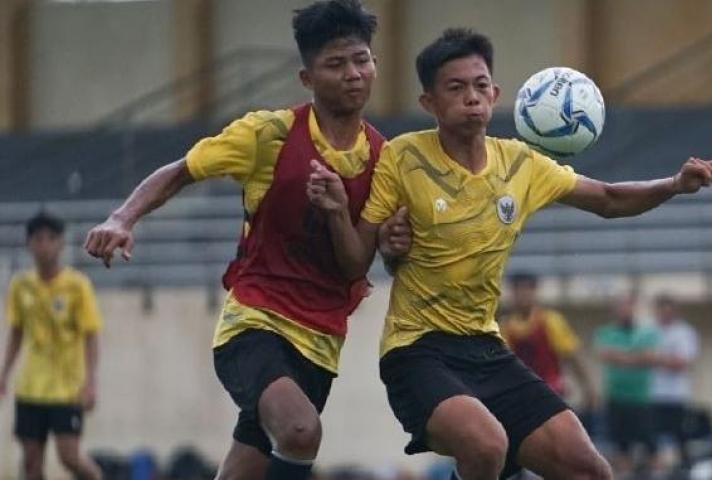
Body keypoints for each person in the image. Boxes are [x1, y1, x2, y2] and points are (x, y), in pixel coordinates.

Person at [306, 28, 712, 480]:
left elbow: (609, 198)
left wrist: (674, 185)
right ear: (429, 103)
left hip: (487, 349)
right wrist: (359, 227)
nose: (472, 97)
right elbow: (356, 260)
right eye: (456, 87)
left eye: (480, 86)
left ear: (497, 94)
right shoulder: (402, 158)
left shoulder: (521, 163)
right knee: (487, 445)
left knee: (590, 470)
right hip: (417, 352)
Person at [84, 2, 410, 479]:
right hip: (255, 324)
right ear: (307, 77)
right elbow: (181, 171)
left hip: (321, 341)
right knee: (301, 432)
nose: (353, 74)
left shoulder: (385, 159)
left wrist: (379, 237)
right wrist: (121, 217)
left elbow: (355, 266)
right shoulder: (268, 134)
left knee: (246, 467)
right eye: (336, 64)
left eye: (362, 60)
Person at [0, 212, 102, 480]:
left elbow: (91, 335)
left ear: (60, 243)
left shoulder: (77, 286)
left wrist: (91, 382)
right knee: (31, 463)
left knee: (69, 457)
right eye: (38, 239)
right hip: (30, 387)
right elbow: (16, 332)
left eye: (50, 238)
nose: (43, 245)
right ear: (29, 244)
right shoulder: (21, 285)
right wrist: (5, 373)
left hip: (66, 389)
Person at [501, 272, 598, 411]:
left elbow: (573, 356)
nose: (522, 295)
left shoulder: (551, 321)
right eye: (518, 290)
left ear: (534, 291)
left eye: (526, 289)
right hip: (522, 395)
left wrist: (588, 388)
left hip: (552, 392)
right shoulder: (506, 327)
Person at [594, 294, 659, 476]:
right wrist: (636, 356)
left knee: (650, 444)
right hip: (616, 397)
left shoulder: (647, 332)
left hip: (641, 399)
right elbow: (605, 354)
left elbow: (651, 357)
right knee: (621, 445)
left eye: (628, 306)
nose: (624, 310)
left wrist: (621, 356)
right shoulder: (605, 332)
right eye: (620, 306)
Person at [649, 293, 699, 468]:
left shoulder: (684, 332)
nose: (665, 315)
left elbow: (683, 362)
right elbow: (641, 358)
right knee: (652, 441)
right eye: (661, 311)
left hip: (677, 395)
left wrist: (656, 359)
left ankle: (683, 471)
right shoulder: (650, 331)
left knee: (680, 439)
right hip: (654, 395)